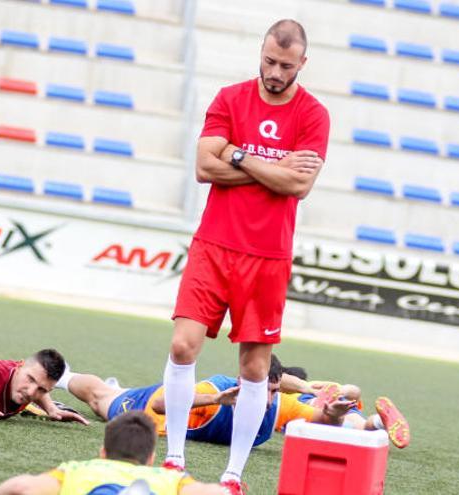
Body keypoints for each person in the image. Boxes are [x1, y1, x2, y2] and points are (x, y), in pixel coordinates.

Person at [163, 18, 330, 493]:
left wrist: (236, 156)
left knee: (255, 369)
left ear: (303, 62)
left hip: (268, 256)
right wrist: (270, 166)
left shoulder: (314, 115)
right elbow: (202, 166)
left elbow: (298, 185)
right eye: (269, 61)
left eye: (286, 65)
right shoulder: (229, 98)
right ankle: (174, 459)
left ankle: (233, 476)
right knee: (182, 346)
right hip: (214, 244)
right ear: (260, 52)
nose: (275, 72)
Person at [56, 355, 357, 446]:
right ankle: (65, 377)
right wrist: (215, 399)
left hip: (184, 406)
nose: (267, 401)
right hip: (154, 410)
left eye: (274, 391)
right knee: (100, 399)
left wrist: (333, 413)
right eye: (262, 391)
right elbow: (162, 403)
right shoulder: (215, 389)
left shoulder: (280, 405)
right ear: (242, 385)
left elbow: (324, 422)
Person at [0, 411, 229, 495]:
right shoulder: (170, 479)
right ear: (150, 459)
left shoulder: (76, 471)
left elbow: (22, 486)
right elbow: (217, 493)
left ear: (102, 452)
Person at [278, 368, 411, 448]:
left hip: (308, 402)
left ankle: (322, 404)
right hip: (343, 403)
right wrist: (343, 390)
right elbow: (356, 393)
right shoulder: (319, 386)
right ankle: (380, 421)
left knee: (313, 408)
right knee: (363, 426)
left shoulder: (292, 395)